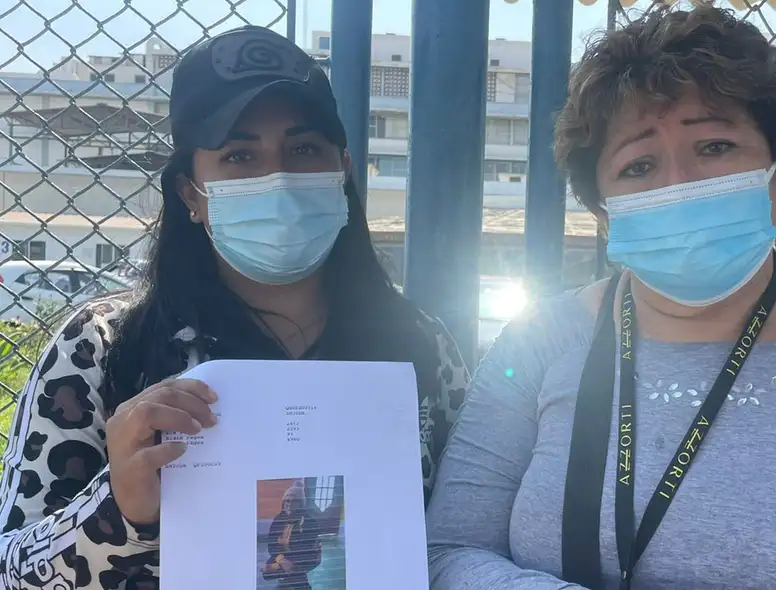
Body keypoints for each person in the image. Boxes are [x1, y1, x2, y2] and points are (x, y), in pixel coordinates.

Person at [425, 5, 776, 589]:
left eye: (715, 147)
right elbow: (448, 550)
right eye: (638, 165)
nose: (679, 183)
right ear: (602, 209)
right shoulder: (539, 344)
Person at [0, 25, 468, 588]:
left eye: (304, 149)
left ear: (342, 169)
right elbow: (12, 572)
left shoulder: (421, 345)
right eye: (240, 154)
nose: (279, 177)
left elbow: (464, 542)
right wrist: (119, 508)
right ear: (189, 193)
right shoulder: (100, 349)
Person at [262, 481, 322, 590]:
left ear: (300, 504)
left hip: (306, 557)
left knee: (294, 569)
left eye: (293, 501)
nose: (288, 504)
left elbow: (305, 550)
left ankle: (298, 583)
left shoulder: (309, 522)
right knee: (267, 570)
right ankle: (290, 576)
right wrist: (282, 560)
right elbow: (271, 544)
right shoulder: (279, 519)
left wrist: (288, 564)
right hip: (285, 555)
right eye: (286, 501)